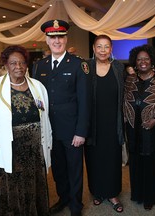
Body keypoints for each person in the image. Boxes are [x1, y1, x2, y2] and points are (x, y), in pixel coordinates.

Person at [0, 45, 52, 215]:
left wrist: (48, 143)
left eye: (22, 62)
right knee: (14, 186)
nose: (18, 67)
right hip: (11, 148)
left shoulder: (38, 86)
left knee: (36, 183)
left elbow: (46, 118)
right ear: (6, 65)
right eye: (13, 63)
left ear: (27, 64)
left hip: (35, 149)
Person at [32, 19, 91, 216]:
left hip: (72, 130)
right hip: (49, 130)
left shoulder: (78, 65)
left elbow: (85, 101)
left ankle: (75, 205)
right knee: (58, 169)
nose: (57, 40)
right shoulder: (38, 67)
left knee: (74, 170)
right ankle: (63, 198)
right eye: (52, 37)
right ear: (47, 40)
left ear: (65, 39)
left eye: (60, 37)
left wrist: (81, 131)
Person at [124, 44, 155, 211]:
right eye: (139, 59)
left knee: (151, 163)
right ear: (135, 63)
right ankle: (137, 193)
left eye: (146, 58)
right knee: (136, 161)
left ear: (152, 61)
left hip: (153, 131)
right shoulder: (129, 80)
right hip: (133, 129)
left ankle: (151, 196)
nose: (142, 62)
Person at [84, 34, 125, 213]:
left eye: (106, 47)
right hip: (92, 122)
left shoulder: (118, 67)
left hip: (112, 122)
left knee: (112, 158)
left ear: (111, 49)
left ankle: (113, 193)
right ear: (93, 49)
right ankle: (98, 192)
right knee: (94, 158)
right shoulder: (86, 67)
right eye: (99, 46)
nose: (102, 50)